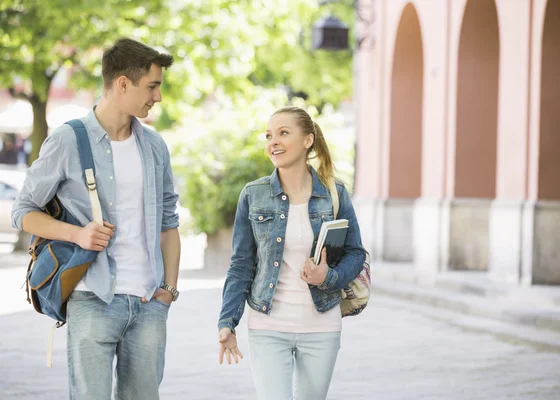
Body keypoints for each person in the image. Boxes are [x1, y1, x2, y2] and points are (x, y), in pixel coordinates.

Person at [11, 38, 181, 400]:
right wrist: (77, 234)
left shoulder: (154, 146)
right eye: (152, 86)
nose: (158, 97)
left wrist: (169, 289)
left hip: (149, 301)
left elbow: (169, 223)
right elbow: (22, 211)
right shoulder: (68, 140)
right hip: (93, 297)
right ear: (123, 84)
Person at [218, 106, 367, 400]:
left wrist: (329, 276)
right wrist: (227, 322)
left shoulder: (334, 192)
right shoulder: (253, 194)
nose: (273, 141)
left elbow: (356, 253)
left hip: (321, 324)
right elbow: (241, 264)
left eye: (283, 133)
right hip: (268, 323)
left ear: (308, 140)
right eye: (269, 135)